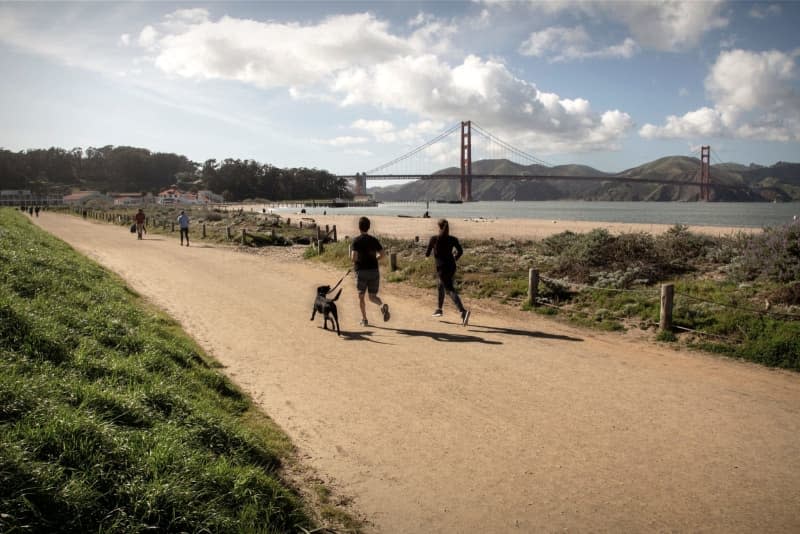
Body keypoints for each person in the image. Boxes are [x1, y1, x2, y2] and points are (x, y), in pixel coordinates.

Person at [425, 219, 470, 326]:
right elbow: (461, 251)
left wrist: (431, 254)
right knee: (441, 285)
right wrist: (455, 257)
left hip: (442, 268)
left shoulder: (434, 239)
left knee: (449, 289)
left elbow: (427, 254)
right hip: (451, 266)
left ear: (438, 227)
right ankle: (439, 309)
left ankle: (463, 312)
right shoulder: (453, 239)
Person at [350, 216, 390, 326]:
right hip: (374, 271)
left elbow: (353, 258)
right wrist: (375, 258)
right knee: (372, 296)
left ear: (359, 227)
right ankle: (381, 306)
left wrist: (356, 262)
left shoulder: (356, 241)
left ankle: (364, 320)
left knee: (361, 296)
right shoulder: (374, 240)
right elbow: (382, 254)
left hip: (361, 272)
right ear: (369, 227)